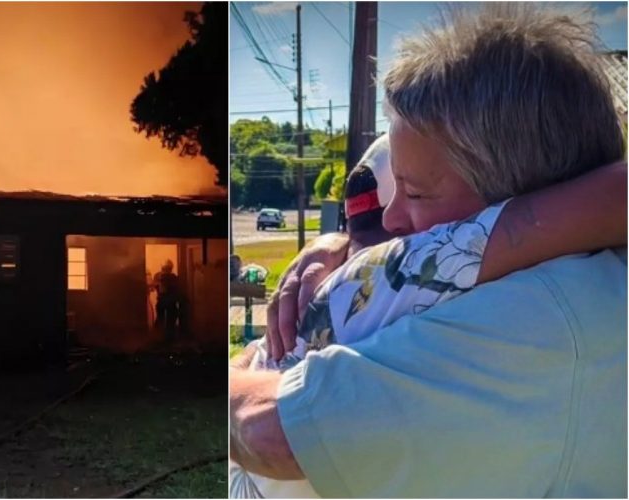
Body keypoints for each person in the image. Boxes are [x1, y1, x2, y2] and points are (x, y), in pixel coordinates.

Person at [230, 4, 627, 497]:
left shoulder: (517, 323)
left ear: (519, 193)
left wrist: (235, 374)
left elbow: (271, 433)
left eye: (415, 193)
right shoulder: (585, 271)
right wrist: (334, 246)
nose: (392, 219)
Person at [153, 260, 179, 341]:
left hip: (165, 301)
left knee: (164, 320)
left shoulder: (159, 275)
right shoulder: (172, 277)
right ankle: (163, 337)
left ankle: (161, 337)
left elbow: (155, 286)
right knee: (167, 320)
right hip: (168, 301)